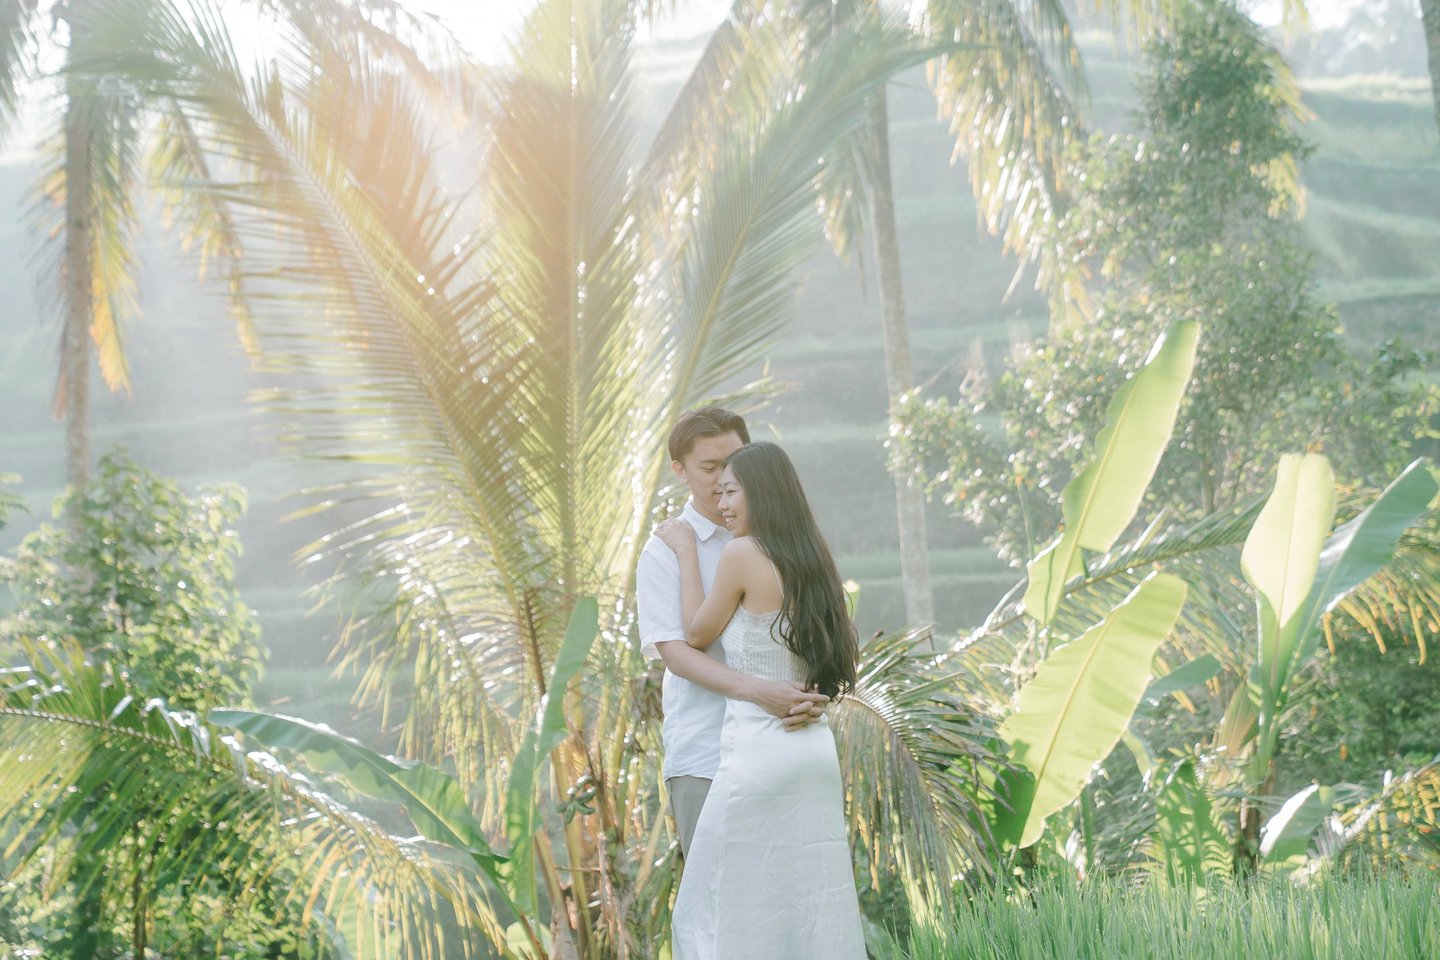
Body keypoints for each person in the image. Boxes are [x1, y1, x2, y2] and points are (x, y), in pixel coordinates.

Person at [656, 441, 865, 959]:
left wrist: (685, 550)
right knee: (812, 910)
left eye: (730, 492)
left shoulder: (742, 554)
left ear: (761, 493)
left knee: (720, 910)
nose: (721, 504)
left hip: (758, 754)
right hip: (812, 752)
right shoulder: (814, 558)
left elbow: (697, 633)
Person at [637, 409, 829, 858]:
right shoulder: (665, 550)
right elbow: (679, 653)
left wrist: (809, 696)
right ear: (680, 471)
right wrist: (760, 692)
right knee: (719, 904)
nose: (724, 477)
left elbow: (814, 634)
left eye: (734, 462)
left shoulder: (783, 542)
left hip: (788, 741)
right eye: (709, 468)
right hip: (708, 754)